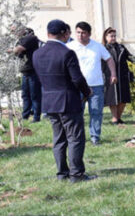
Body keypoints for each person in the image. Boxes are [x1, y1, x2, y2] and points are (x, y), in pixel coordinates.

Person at [32, 20, 94, 183]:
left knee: (58, 139)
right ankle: (77, 174)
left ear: (48, 34)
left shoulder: (37, 54)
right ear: (65, 33)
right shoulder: (67, 52)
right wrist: (87, 92)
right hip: (68, 101)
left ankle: (62, 173)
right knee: (75, 138)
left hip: (49, 101)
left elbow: (39, 78)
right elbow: (77, 78)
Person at [67, 21, 117, 146]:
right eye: (78, 32)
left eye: (83, 33)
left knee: (96, 112)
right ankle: (77, 137)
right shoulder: (70, 47)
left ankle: (95, 137)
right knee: (77, 113)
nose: (80, 35)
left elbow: (109, 59)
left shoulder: (98, 46)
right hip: (76, 86)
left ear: (89, 34)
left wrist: (113, 74)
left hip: (96, 86)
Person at [102, 27, 135, 124]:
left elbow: (130, 56)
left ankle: (118, 117)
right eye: (111, 36)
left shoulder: (121, 47)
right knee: (113, 98)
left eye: (114, 36)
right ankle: (115, 118)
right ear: (106, 37)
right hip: (110, 76)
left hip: (123, 75)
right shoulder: (103, 48)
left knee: (123, 98)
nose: (113, 38)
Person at [12, 27, 42, 122]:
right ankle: (25, 116)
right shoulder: (21, 41)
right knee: (25, 95)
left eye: (15, 31)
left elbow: (18, 49)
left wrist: (10, 50)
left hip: (33, 72)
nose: (14, 33)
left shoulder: (31, 38)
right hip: (25, 73)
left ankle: (36, 117)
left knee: (34, 96)